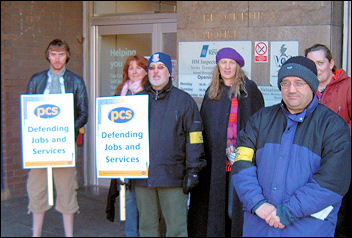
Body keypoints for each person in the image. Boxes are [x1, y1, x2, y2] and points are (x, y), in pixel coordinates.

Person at [231, 56, 351, 236]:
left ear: (312, 85)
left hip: (306, 228)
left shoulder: (332, 127)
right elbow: (241, 164)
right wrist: (257, 203)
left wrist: (287, 211)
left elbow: (332, 183)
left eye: (299, 82)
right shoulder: (260, 120)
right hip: (260, 225)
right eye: (285, 83)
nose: (291, 89)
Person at [187, 47, 265, 237]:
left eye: (231, 63)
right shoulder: (212, 92)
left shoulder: (250, 90)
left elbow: (260, 125)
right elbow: (205, 126)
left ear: (238, 66)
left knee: (235, 208)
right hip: (217, 163)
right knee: (218, 205)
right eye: (223, 62)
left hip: (241, 161)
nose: (227, 67)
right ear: (218, 66)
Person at [134, 52, 206, 237]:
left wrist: (193, 170)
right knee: (147, 229)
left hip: (173, 178)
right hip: (143, 178)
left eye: (161, 67)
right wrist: (120, 169)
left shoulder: (184, 101)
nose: (155, 72)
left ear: (170, 71)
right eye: (151, 68)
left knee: (176, 231)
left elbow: (195, 138)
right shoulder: (136, 101)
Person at [25, 38, 88, 237]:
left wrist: (67, 130)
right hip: (40, 146)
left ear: (67, 56)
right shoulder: (36, 80)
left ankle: (68, 235)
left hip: (63, 145)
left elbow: (83, 113)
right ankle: (36, 234)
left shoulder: (76, 81)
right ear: (48, 55)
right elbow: (28, 111)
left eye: (61, 54)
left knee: (67, 190)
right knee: (36, 190)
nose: (57, 58)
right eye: (53, 54)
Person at [305, 43, 352, 237]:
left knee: (339, 216)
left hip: (340, 162)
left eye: (320, 62)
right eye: (311, 63)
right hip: (311, 161)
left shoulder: (347, 86)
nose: (316, 68)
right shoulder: (303, 88)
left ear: (331, 63)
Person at [105, 54, 148, 237]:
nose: (135, 71)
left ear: (146, 71)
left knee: (145, 201)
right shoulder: (119, 92)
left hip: (144, 154)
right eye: (131, 68)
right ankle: (131, 234)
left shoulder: (151, 92)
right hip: (125, 154)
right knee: (129, 198)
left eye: (139, 67)